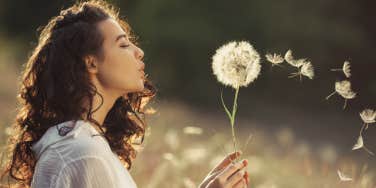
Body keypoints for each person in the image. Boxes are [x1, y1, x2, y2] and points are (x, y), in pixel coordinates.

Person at [0, 1, 249, 187]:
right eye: (122, 44)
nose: (138, 51)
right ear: (91, 63)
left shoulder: (83, 145)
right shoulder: (83, 154)